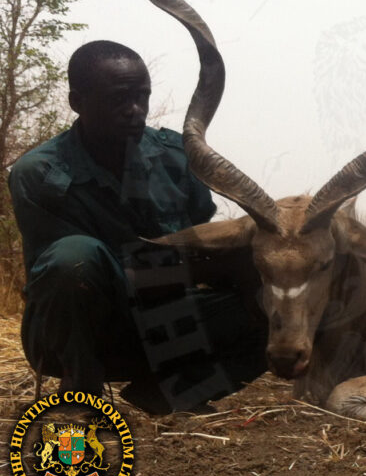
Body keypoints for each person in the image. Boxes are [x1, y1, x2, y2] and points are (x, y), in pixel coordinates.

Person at [7, 40, 266, 414]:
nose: (135, 110)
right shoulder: (39, 173)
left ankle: (169, 395)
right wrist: (205, 268)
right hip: (78, 334)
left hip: (167, 323)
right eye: (118, 99)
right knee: (75, 259)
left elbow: (202, 242)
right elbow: (67, 279)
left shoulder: (176, 156)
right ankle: (81, 391)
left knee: (280, 308)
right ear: (77, 102)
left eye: (142, 97)